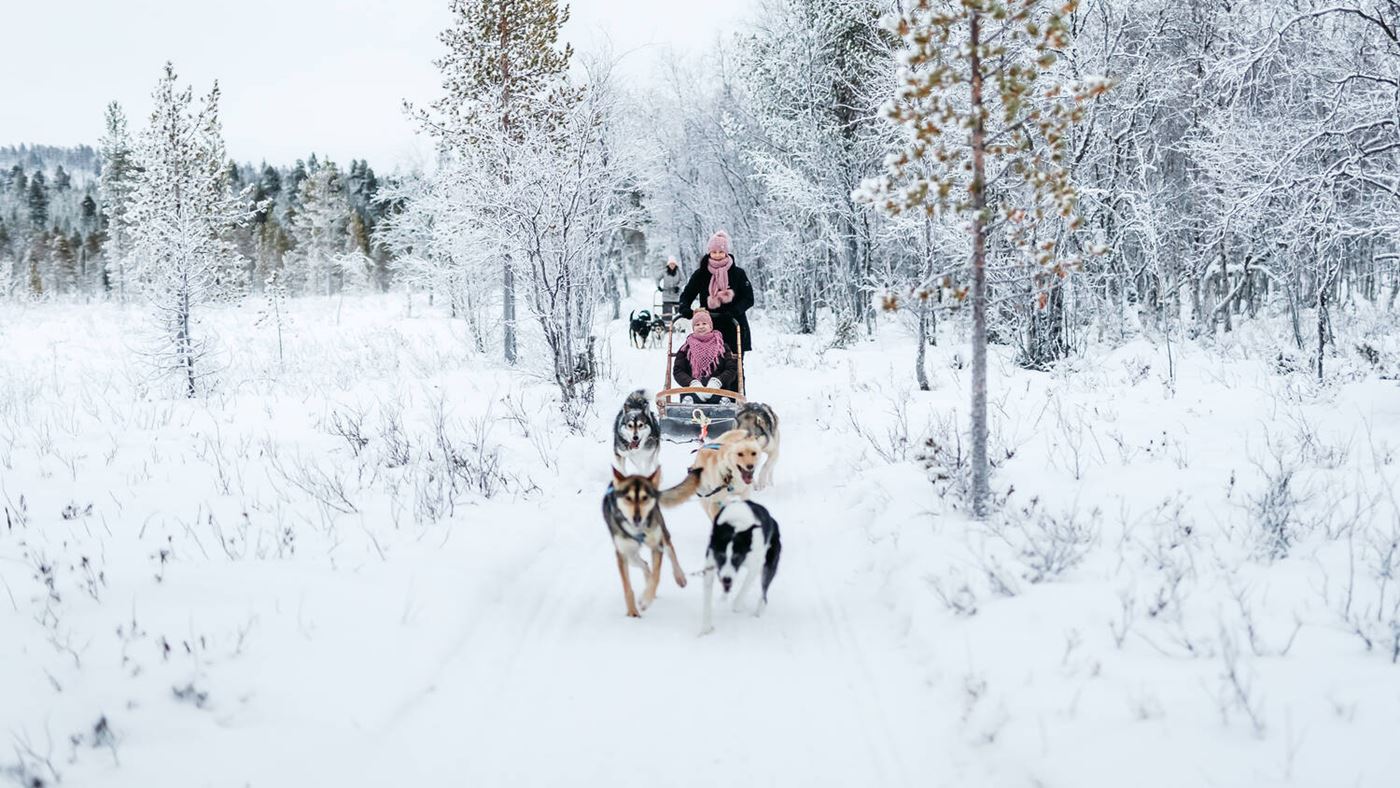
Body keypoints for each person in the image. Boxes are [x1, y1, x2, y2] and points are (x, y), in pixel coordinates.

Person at [679, 230, 754, 353]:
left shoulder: (738, 273)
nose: (717, 255)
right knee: (708, 362)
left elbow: (748, 298)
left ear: (726, 252)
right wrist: (684, 308)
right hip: (708, 326)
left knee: (734, 362)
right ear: (709, 252)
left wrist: (734, 311)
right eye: (714, 252)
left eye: (721, 252)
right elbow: (687, 294)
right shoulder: (701, 274)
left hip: (733, 324)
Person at [672, 310, 738, 403]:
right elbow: (678, 371)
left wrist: (718, 381)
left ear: (710, 326)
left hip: (719, 390)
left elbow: (731, 369)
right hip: (692, 390)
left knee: (720, 401)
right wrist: (692, 383)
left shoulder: (722, 346)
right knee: (690, 401)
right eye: (697, 325)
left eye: (704, 323)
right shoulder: (686, 347)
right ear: (693, 328)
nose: (701, 327)